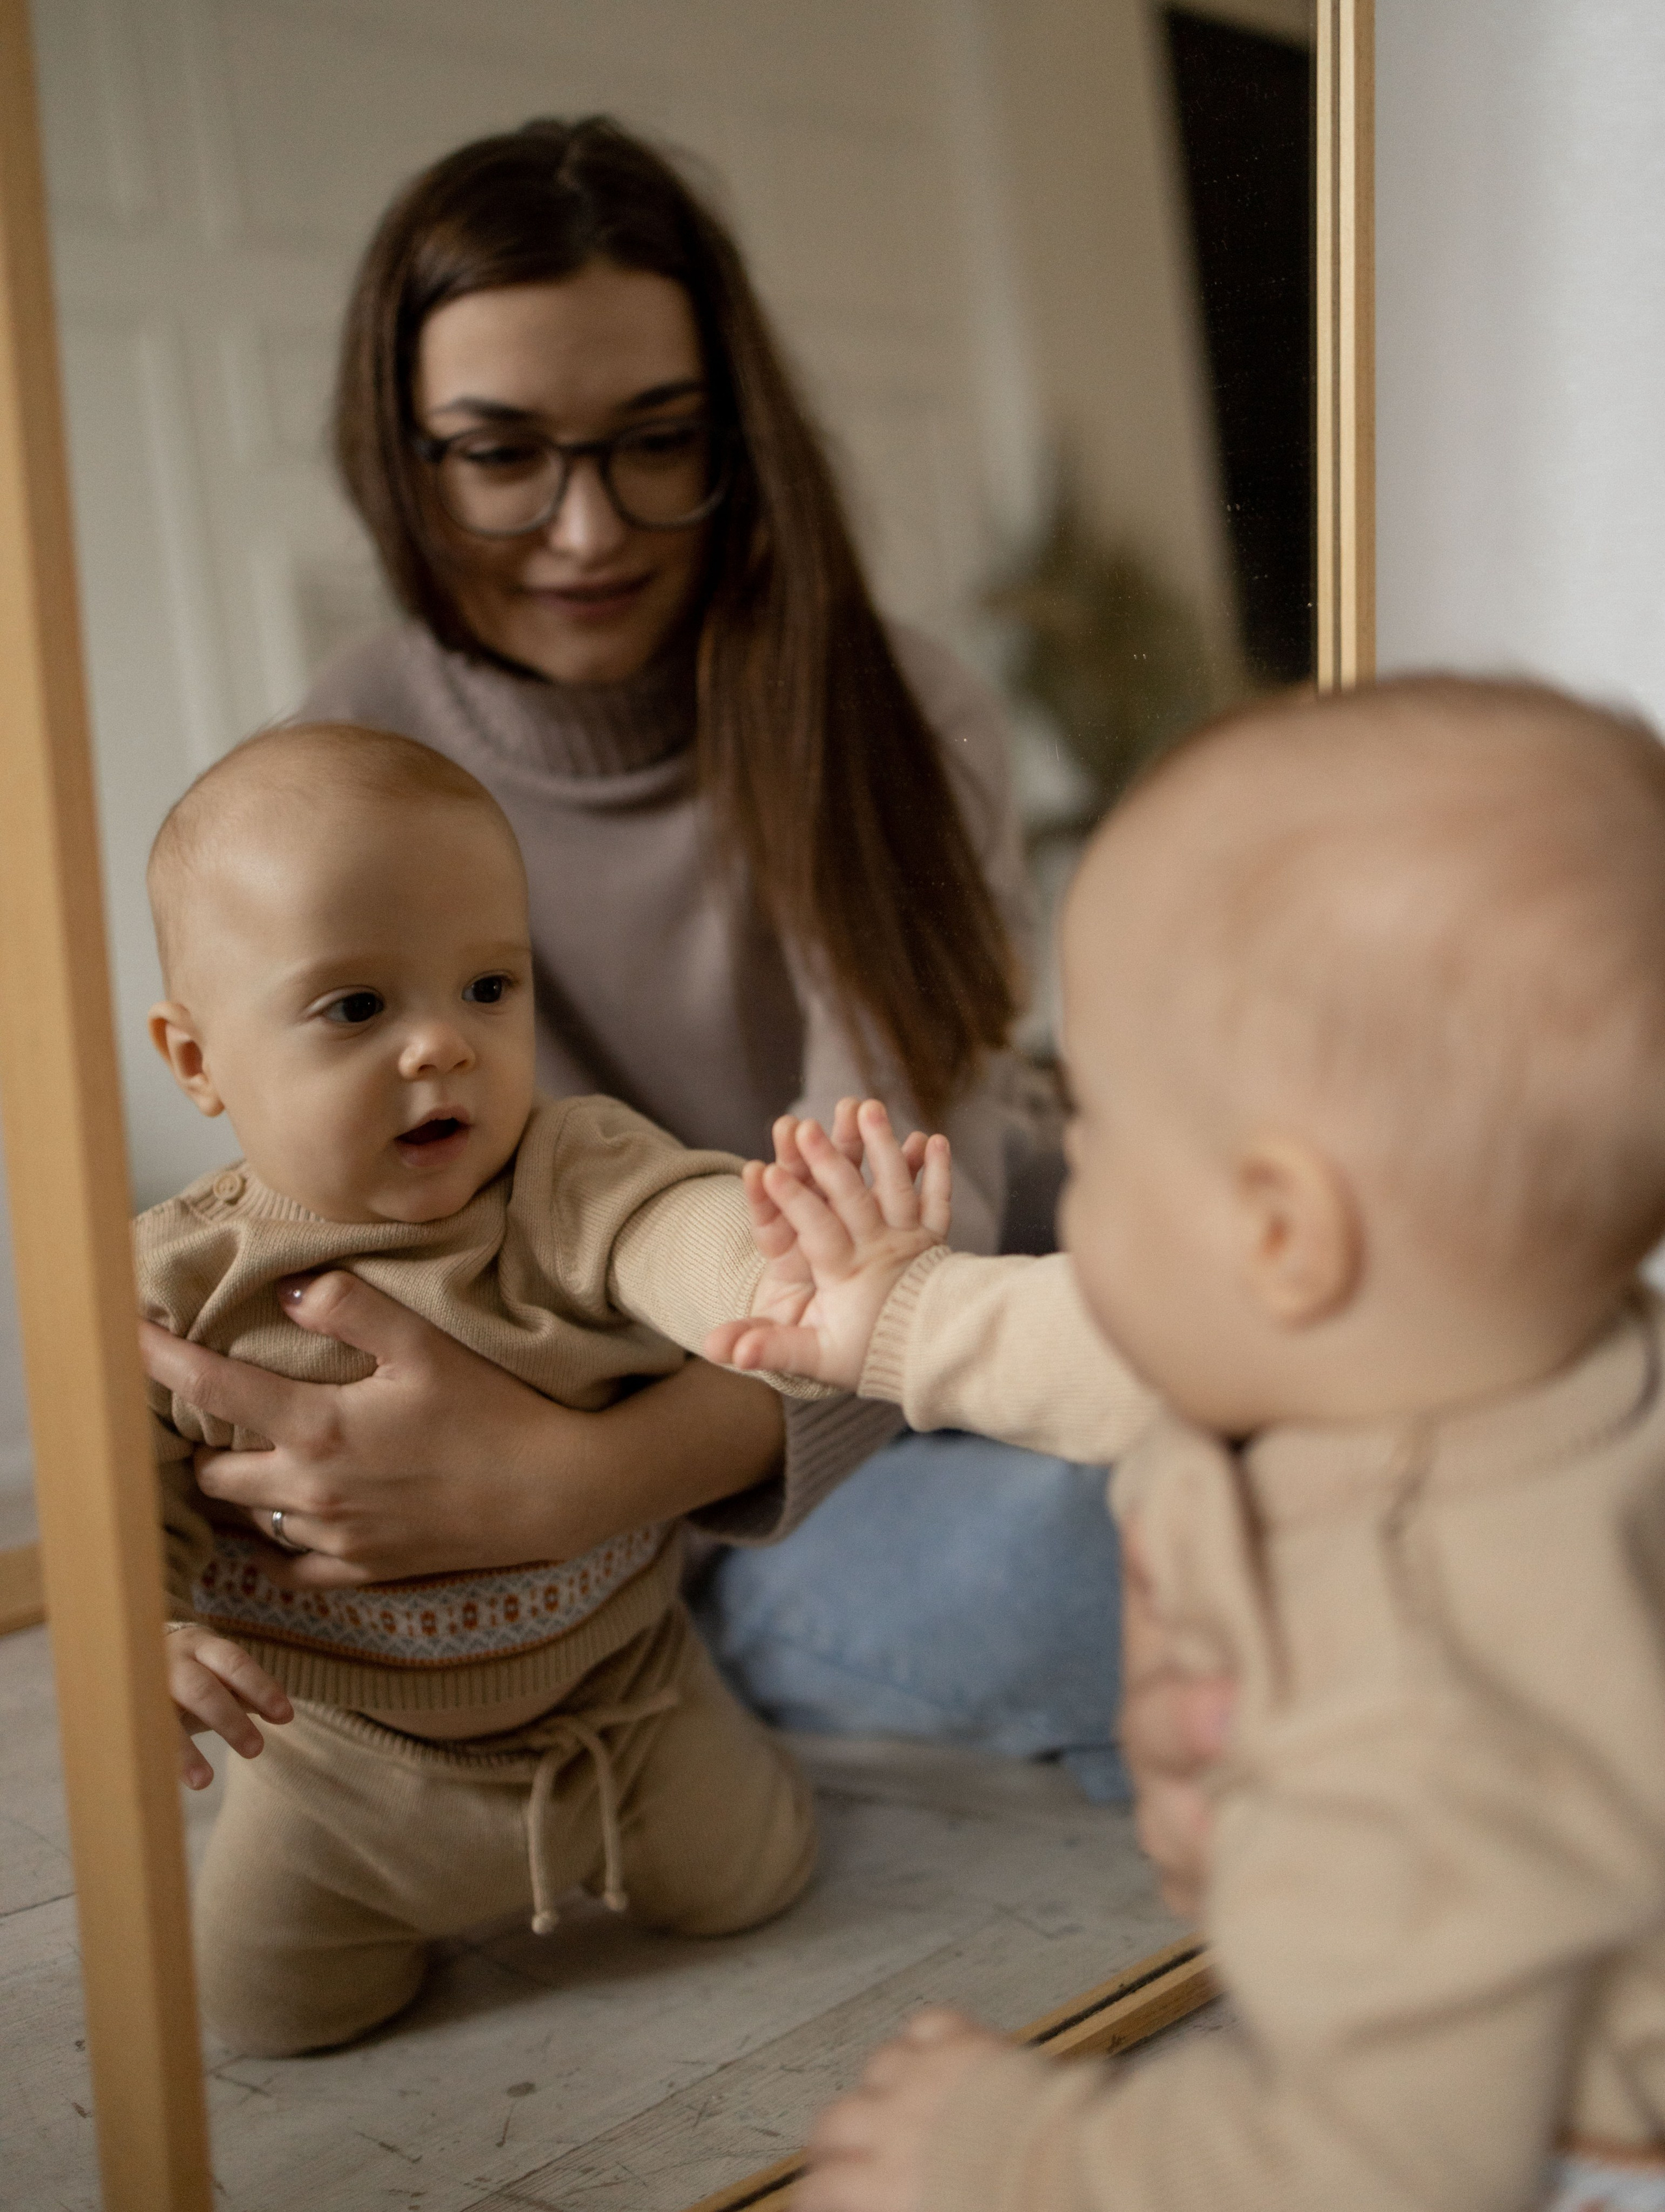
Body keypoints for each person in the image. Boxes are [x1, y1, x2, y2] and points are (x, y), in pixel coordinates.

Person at [138, 114, 1128, 1791]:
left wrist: (564, 1486)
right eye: (501, 453)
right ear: (403, 454)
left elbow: (903, 1233)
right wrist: (563, 1498)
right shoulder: (348, 748)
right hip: (668, 1480)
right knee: (1120, 1570)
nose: (587, 530)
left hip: (893, 1352)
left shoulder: (892, 702)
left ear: (735, 431)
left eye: (655, 441)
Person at [710, 676, 1665, 2212]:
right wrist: (891, 1319)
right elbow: (1134, 1350)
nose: (1073, 1177)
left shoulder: (1425, 1692)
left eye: (1095, 1139)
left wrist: (1017, 2156)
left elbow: (1377, 2160)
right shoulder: (1496, 1341)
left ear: (1278, 1230)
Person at [141, 721, 834, 2057]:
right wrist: (147, 1640)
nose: (441, 1048)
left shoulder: (564, 1172)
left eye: (487, 990)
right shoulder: (176, 1292)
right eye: (357, 1007)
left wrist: (773, 1262)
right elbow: (125, 1511)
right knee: (254, 2024)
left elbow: (674, 1231)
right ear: (195, 1060)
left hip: (633, 1706)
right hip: (342, 1771)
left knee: (759, 1884)